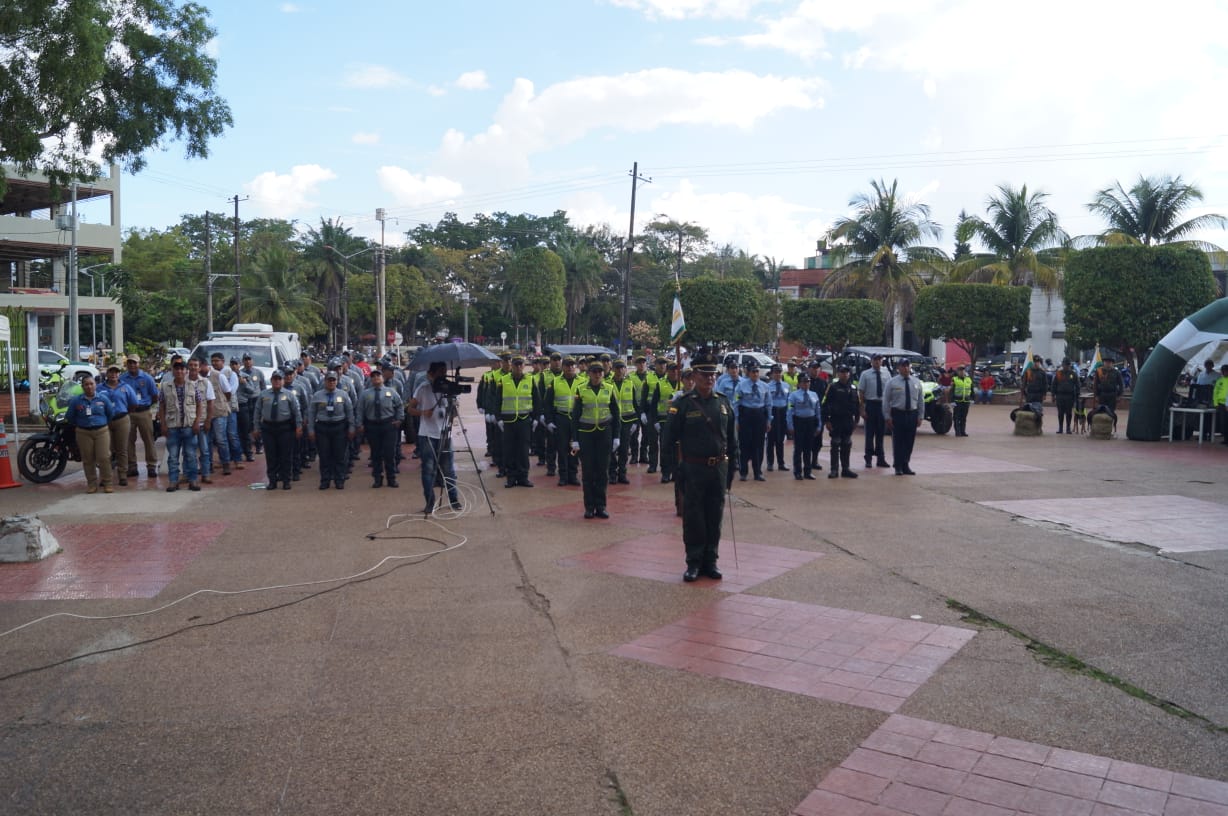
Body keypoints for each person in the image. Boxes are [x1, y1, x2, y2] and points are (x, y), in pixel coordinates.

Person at [668, 349, 738, 583]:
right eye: (704, 374)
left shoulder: (724, 404)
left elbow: (732, 441)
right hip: (693, 469)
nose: (709, 378)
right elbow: (668, 440)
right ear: (694, 375)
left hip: (717, 468)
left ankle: (711, 560)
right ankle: (694, 562)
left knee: (714, 515)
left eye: (712, 374)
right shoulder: (684, 404)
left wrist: (731, 471)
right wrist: (675, 471)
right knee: (694, 516)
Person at [408, 361, 462, 512]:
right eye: (440, 372)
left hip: (445, 433)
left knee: (449, 469)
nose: (443, 375)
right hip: (427, 434)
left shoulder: (449, 389)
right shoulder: (423, 388)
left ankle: (454, 500)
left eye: (444, 372)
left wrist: (453, 408)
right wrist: (423, 413)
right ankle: (430, 502)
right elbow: (410, 409)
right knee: (428, 469)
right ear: (431, 374)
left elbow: (454, 414)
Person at [570, 362, 620, 519]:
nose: (597, 374)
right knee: (588, 472)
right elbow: (575, 417)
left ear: (603, 374)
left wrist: (616, 436)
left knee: (602, 472)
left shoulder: (610, 389)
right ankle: (589, 507)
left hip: (604, 434)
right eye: (594, 372)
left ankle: (601, 506)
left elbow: (616, 415)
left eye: (600, 372)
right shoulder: (581, 389)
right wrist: (575, 439)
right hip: (586, 435)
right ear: (589, 373)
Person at [158, 360, 203, 492]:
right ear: (173, 371)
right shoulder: (166, 386)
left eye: (182, 369)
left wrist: (197, 422)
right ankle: (173, 481)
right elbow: (161, 406)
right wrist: (163, 424)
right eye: (176, 369)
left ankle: (193, 480)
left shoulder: (193, 386)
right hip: (172, 426)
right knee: (173, 456)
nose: (179, 371)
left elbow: (200, 404)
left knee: (191, 455)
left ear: (186, 371)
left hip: (189, 425)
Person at [254, 369, 302, 490]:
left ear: (283, 380)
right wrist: (256, 428)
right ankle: (272, 480)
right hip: (268, 428)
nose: (277, 381)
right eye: (275, 379)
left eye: (279, 379)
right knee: (271, 456)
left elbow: (296, 412)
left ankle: (286, 480)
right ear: (271, 380)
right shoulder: (264, 394)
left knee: (285, 455)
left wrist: (298, 427)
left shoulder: (289, 394)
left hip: (285, 427)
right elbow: (257, 412)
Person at [307, 369, 355, 490]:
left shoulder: (343, 395)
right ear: (325, 381)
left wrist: (351, 428)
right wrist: (311, 430)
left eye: (334, 380)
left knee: (339, 455)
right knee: (324, 455)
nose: (331, 382)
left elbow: (349, 412)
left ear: (337, 381)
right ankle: (325, 480)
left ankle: (339, 479)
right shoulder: (317, 395)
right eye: (329, 380)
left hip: (339, 427)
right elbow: (312, 414)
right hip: (322, 427)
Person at [357, 367, 404, 488]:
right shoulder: (365, 394)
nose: (376, 378)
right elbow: (360, 410)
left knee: (389, 453)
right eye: (373, 376)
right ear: (371, 380)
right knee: (376, 454)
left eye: (378, 376)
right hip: (372, 426)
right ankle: (377, 478)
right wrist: (360, 423)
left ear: (382, 378)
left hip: (388, 425)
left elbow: (399, 405)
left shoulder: (391, 392)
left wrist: (399, 419)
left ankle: (391, 478)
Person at [67, 374, 114, 494]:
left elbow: (110, 414)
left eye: (91, 384)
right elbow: (70, 417)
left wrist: (102, 423)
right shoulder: (76, 401)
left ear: (95, 385)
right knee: (88, 459)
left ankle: (107, 483)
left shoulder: (103, 399)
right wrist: (81, 424)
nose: (89, 386)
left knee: (104, 457)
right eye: (86, 384)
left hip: (101, 431)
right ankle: (91, 484)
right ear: (82, 386)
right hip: (83, 433)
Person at [495, 356, 534, 488]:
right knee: (509, 450)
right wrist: (498, 418)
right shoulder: (503, 380)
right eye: (516, 365)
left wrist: (537, 417)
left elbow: (537, 399)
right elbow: (498, 400)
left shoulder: (530, 379)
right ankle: (511, 477)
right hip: (508, 420)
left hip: (524, 420)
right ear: (512, 366)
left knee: (523, 450)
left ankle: (523, 477)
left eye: (520, 365)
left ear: (524, 366)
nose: (518, 367)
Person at [120, 353, 159, 478]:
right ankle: (132, 466)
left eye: (134, 362)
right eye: (130, 362)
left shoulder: (147, 378)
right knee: (128, 440)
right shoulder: (122, 378)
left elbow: (155, 396)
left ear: (139, 364)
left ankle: (151, 466)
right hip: (128, 413)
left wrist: (146, 406)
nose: (132, 365)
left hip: (143, 412)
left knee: (149, 439)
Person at [98, 364, 137, 486]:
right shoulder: (99, 388)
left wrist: (124, 412)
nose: (113, 374)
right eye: (111, 372)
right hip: (105, 421)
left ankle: (122, 475)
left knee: (122, 449)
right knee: (105, 451)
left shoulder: (125, 387)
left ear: (119, 374)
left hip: (122, 420)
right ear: (107, 374)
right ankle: (105, 477)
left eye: (116, 372)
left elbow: (133, 403)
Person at [546, 357, 582, 487]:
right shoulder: (555, 382)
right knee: (561, 449)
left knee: (574, 447)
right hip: (561, 419)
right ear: (563, 367)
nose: (570, 367)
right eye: (567, 365)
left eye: (572, 365)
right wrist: (549, 421)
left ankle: (573, 475)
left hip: (576, 420)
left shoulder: (583, 382)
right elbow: (548, 404)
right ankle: (563, 476)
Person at [883, 358, 923, 475]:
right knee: (898, 441)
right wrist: (887, 416)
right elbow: (886, 401)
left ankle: (906, 464)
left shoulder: (916, 382)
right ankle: (898, 466)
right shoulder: (892, 382)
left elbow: (920, 400)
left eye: (907, 366)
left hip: (912, 414)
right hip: (898, 414)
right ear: (898, 368)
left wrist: (920, 416)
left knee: (909, 441)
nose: (906, 368)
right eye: (903, 366)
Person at [733, 360, 769, 481]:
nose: (755, 374)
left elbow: (769, 404)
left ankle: (758, 472)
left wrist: (769, 420)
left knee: (758, 445)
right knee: (744, 445)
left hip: (760, 417)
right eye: (753, 371)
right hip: (746, 417)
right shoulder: (741, 385)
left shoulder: (765, 386)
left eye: (757, 371)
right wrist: (737, 420)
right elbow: (736, 403)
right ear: (748, 373)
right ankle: (743, 472)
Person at [823, 365, 860, 478]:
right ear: (838, 374)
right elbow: (826, 404)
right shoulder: (833, 387)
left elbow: (857, 404)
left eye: (846, 372)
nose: (845, 374)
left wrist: (857, 419)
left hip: (848, 420)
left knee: (847, 444)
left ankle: (845, 469)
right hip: (836, 420)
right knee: (835, 443)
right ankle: (834, 469)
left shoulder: (853, 387)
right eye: (842, 372)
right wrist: (827, 420)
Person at [646, 362, 681, 482]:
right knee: (665, 447)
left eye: (677, 370)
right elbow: (654, 404)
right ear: (668, 371)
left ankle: (676, 472)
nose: (675, 372)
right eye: (672, 370)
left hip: (677, 421)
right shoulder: (660, 384)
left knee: (676, 448)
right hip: (663, 420)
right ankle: (665, 472)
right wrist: (654, 421)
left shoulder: (682, 384)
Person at [608, 360, 639, 485]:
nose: (620, 370)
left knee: (624, 449)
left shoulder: (630, 384)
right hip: (612, 421)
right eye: (617, 367)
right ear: (613, 369)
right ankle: (612, 474)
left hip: (627, 421)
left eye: (622, 368)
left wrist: (636, 421)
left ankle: (622, 473)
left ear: (625, 369)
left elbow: (635, 404)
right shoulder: (607, 384)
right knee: (611, 449)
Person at [857, 353, 890, 468]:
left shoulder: (886, 374)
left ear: (882, 361)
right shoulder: (865, 374)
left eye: (879, 360)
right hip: (870, 405)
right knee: (869, 434)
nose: (877, 362)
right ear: (871, 361)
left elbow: (889, 392)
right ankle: (868, 458)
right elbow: (861, 392)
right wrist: (862, 409)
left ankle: (881, 458)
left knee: (881, 433)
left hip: (882, 405)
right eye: (875, 360)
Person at [785, 371, 819, 480]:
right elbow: (790, 411)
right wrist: (790, 426)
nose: (806, 384)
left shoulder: (814, 394)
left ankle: (808, 471)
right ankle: (798, 471)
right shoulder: (793, 395)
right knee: (798, 448)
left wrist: (819, 425)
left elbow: (818, 411)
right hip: (799, 422)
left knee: (808, 448)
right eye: (804, 382)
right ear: (799, 383)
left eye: (808, 382)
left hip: (810, 422)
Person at [207, 352, 237, 476]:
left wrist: (221, 402)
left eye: (217, 361)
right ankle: (208, 465)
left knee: (221, 439)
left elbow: (228, 392)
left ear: (222, 361)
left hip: (220, 412)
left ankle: (226, 463)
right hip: (206, 414)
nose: (214, 363)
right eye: (212, 361)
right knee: (207, 441)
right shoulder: (200, 377)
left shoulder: (221, 376)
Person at [236, 353, 265, 460]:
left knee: (257, 422)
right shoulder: (240, 373)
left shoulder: (258, 372)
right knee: (247, 426)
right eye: (245, 359)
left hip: (256, 399)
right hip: (245, 401)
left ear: (252, 360)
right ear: (243, 361)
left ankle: (259, 445)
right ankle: (248, 449)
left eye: (249, 359)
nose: (248, 361)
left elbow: (263, 387)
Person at [764, 364, 791, 472]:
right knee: (771, 440)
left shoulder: (786, 386)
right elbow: (766, 402)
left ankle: (781, 463)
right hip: (772, 412)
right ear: (772, 374)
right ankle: (770, 463)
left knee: (780, 439)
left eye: (779, 372)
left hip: (783, 413)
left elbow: (789, 401)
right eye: (775, 372)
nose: (778, 374)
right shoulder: (767, 386)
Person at [1092, 356, 1125, 430]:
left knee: (1110, 413)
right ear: (1103, 363)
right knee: (1101, 412)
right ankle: (1101, 429)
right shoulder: (1099, 372)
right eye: (1106, 362)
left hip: (1112, 395)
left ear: (1112, 363)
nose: (1108, 364)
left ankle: (1109, 429)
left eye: (1109, 362)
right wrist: (1096, 395)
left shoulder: (1116, 372)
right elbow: (1095, 384)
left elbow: (1121, 385)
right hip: (1102, 395)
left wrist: (1120, 396)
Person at [1051, 358, 1081, 434]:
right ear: (1062, 365)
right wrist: (1053, 395)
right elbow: (1054, 385)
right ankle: (1060, 428)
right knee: (1060, 413)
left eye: (1067, 365)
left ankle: (1068, 428)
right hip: (1060, 395)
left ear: (1069, 365)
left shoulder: (1073, 374)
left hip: (1070, 396)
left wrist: (1077, 395)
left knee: (1069, 413)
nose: (1066, 366)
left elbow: (1077, 385)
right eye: (1064, 364)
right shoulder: (1058, 373)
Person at [950, 364, 974, 437]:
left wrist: (972, 399)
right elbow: (952, 391)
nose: (962, 372)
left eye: (963, 370)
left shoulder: (968, 379)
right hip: (957, 401)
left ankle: (963, 431)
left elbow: (972, 390)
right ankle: (958, 432)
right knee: (956, 417)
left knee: (963, 417)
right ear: (957, 371)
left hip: (966, 401)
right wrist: (952, 401)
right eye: (960, 370)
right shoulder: (955, 379)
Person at [1213, 363, 1228, 445]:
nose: (1225, 373)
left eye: (1226, 371)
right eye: (1223, 371)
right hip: (1221, 404)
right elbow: (1215, 392)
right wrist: (1216, 403)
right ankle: (1226, 439)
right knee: (1223, 422)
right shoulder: (1219, 381)